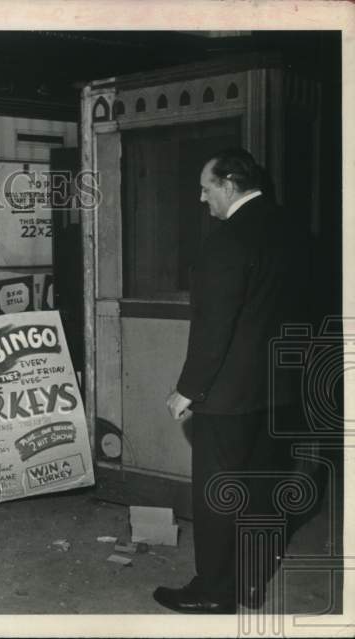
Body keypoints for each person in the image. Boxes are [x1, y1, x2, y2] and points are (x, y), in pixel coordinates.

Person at [155, 148, 301, 614]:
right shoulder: (290, 229)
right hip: (277, 389)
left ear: (230, 183)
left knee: (219, 493)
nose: (202, 198)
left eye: (206, 187)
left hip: (228, 394)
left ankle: (215, 591)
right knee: (262, 489)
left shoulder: (227, 240)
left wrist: (189, 388)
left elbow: (215, 325)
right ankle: (252, 583)